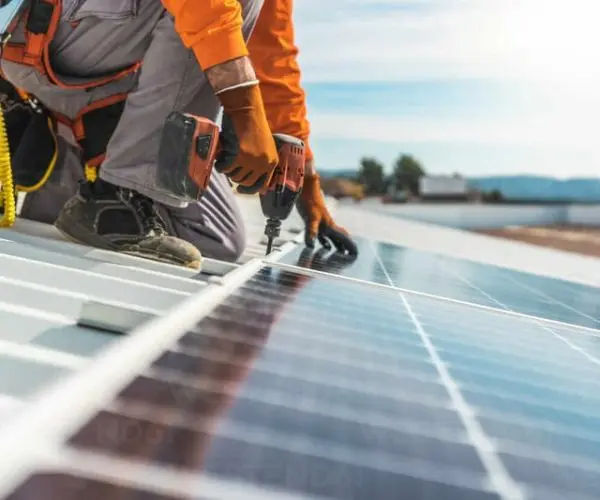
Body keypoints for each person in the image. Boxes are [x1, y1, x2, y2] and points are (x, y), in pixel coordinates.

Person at [0, 0, 356, 268]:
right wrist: (245, 113)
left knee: (217, 239)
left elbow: (273, 58)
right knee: (222, 10)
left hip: (101, 74)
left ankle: (74, 174)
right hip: (30, 34)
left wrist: (306, 186)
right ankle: (121, 194)